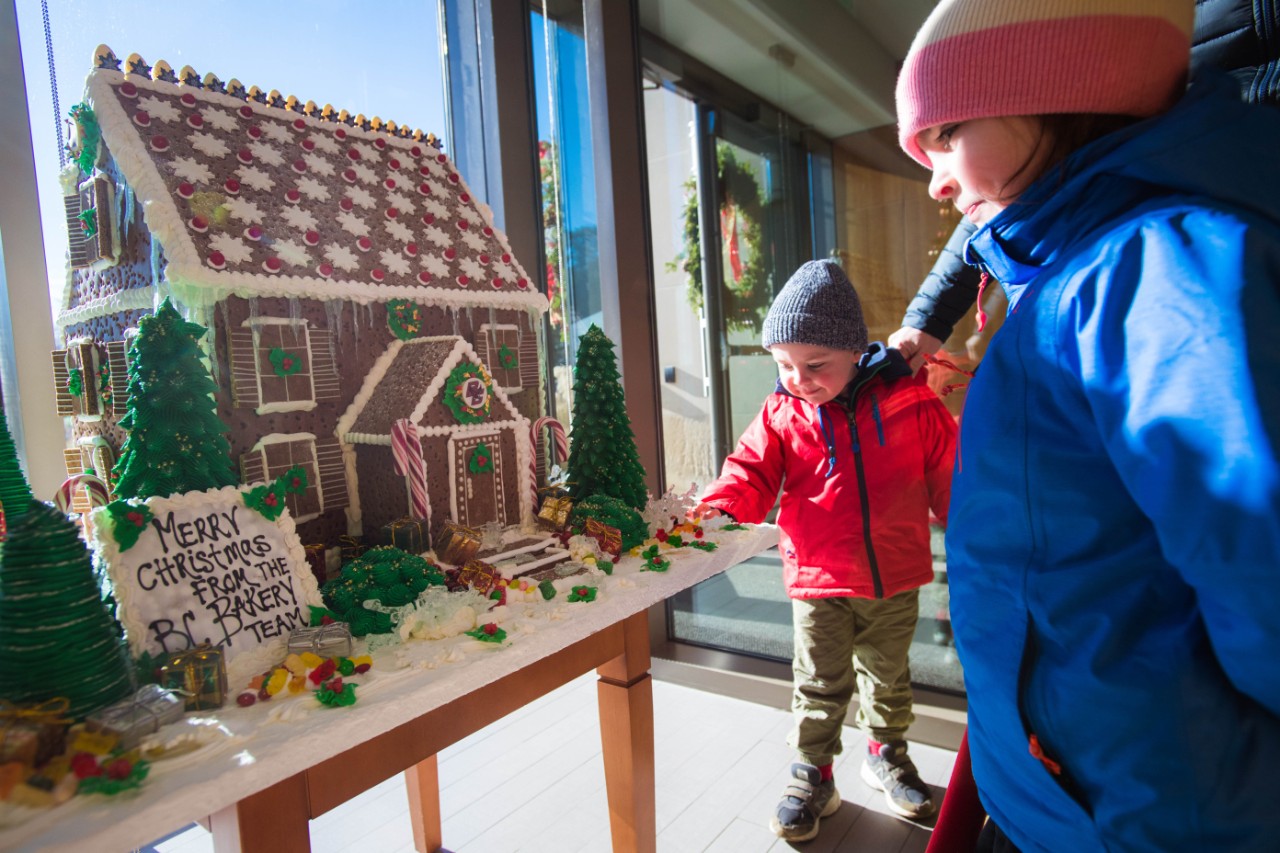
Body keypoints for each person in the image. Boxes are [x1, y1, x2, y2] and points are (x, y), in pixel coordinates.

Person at [895, 1, 1280, 851]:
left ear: (1053, 93)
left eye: (944, 133)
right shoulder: (1066, 274)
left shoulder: (1155, 274)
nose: (933, 178)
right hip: (1069, 797)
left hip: (1149, 814)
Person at [689, 259, 956, 841]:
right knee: (819, 680)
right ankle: (814, 771)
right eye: (783, 365)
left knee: (888, 676)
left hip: (895, 574)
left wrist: (978, 528)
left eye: (815, 365)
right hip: (819, 576)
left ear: (856, 351)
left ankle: (886, 753)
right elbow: (750, 470)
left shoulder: (910, 404)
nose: (798, 378)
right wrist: (723, 507)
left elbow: (952, 476)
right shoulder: (783, 413)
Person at [889, 0, 1280, 371]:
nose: (935, 187)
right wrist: (929, 316)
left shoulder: (1166, 272)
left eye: (949, 134)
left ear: (1054, 101)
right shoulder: (1081, 262)